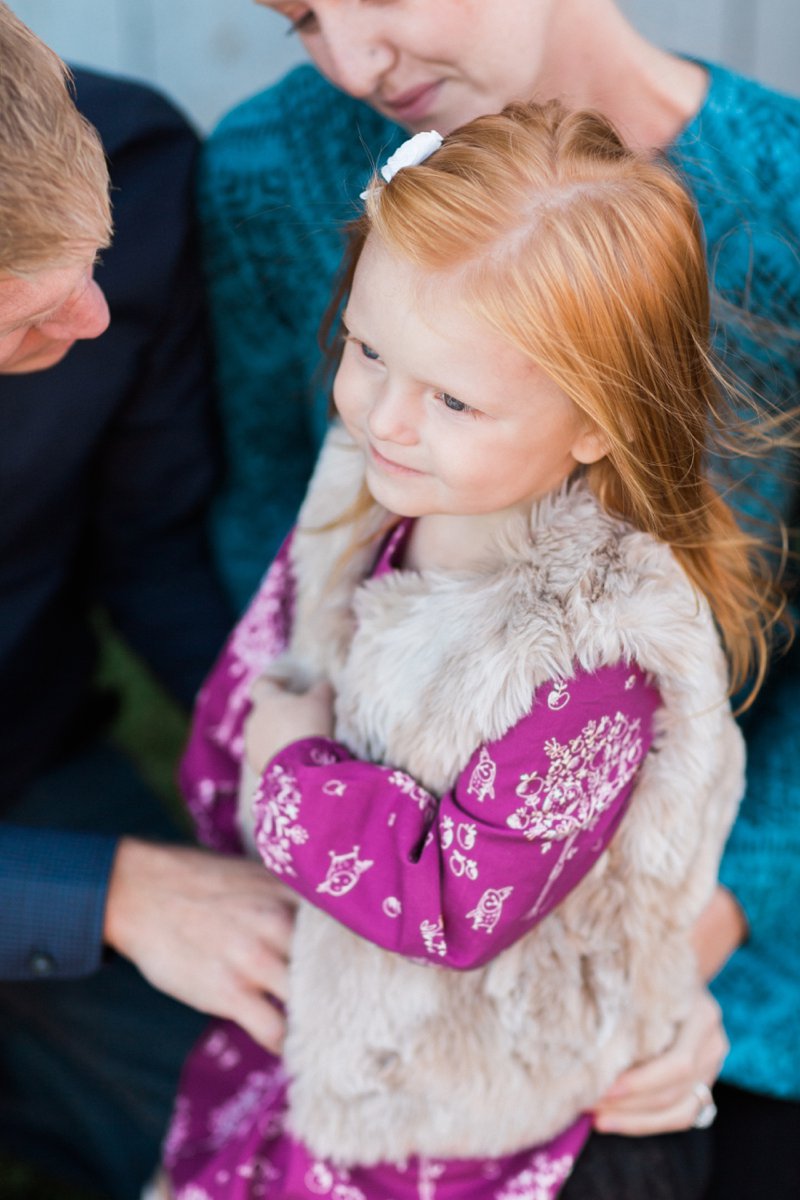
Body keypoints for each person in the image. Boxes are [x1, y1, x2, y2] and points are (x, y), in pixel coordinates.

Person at [201, 3, 800, 1192]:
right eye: (300, 19)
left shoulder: (596, 645)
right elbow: (284, 554)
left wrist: (675, 955)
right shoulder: (266, 175)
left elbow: (459, 892)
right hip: (338, 936)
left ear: (598, 420)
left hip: (660, 948)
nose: (352, 65)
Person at [0, 7, 296, 1197]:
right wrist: (109, 891)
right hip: (65, 862)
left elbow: (152, 543)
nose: (93, 324)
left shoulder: (137, 165)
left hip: (28, 757)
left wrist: (287, 740)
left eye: (94, 268)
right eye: (26, 318)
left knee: (281, 1122)